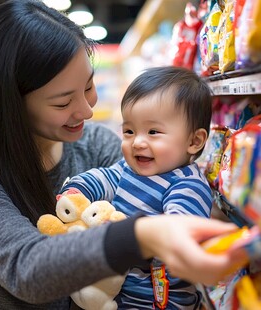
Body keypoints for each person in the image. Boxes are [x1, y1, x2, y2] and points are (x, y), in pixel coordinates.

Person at [0, 0, 248, 309]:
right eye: (62, 102)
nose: (87, 110)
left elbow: (157, 190)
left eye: (89, 86)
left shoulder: (95, 142)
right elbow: (25, 268)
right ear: (11, 105)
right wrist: (143, 234)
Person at [61, 66, 213, 309]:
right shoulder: (127, 169)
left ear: (194, 141)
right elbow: (104, 177)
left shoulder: (187, 184)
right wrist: (78, 191)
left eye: (153, 132)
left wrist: (123, 236)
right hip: (118, 292)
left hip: (158, 299)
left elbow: (179, 233)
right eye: (129, 131)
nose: (138, 142)